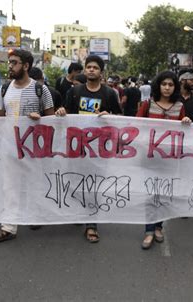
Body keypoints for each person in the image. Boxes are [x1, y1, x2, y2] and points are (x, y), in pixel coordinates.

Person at [0, 49, 54, 243]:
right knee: (10, 187)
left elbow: (51, 120)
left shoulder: (41, 89)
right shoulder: (4, 89)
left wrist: (40, 120)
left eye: (14, 62)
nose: (10, 66)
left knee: (34, 183)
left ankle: (34, 216)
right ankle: (9, 227)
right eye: (9, 62)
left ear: (26, 66)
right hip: (10, 146)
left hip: (34, 148)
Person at [55, 55, 122, 243]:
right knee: (76, 181)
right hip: (76, 146)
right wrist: (61, 112)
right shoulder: (74, 91)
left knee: (93, 184)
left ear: (101, 72)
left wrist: (110, 115)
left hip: (99, 148)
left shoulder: (109, 94)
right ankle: (80, 211)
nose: (91, 70)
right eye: (89, 67)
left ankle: (91, 224)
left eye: (95, 67)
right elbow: (66, 113)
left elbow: (120, 117)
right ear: (85, 70)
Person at [136, 70, 192, 249]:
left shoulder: (179, 106)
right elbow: (136, 126)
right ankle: (149, 230)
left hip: (170, 158)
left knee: (165, 193)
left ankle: (159, 227)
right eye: (164, 84)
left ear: (175, 87)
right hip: (150, 157)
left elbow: (186, 130)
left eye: (170, 85)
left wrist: (186, 121)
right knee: (151, 194)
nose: (167, 88)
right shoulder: (147, 104)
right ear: (158, 86)